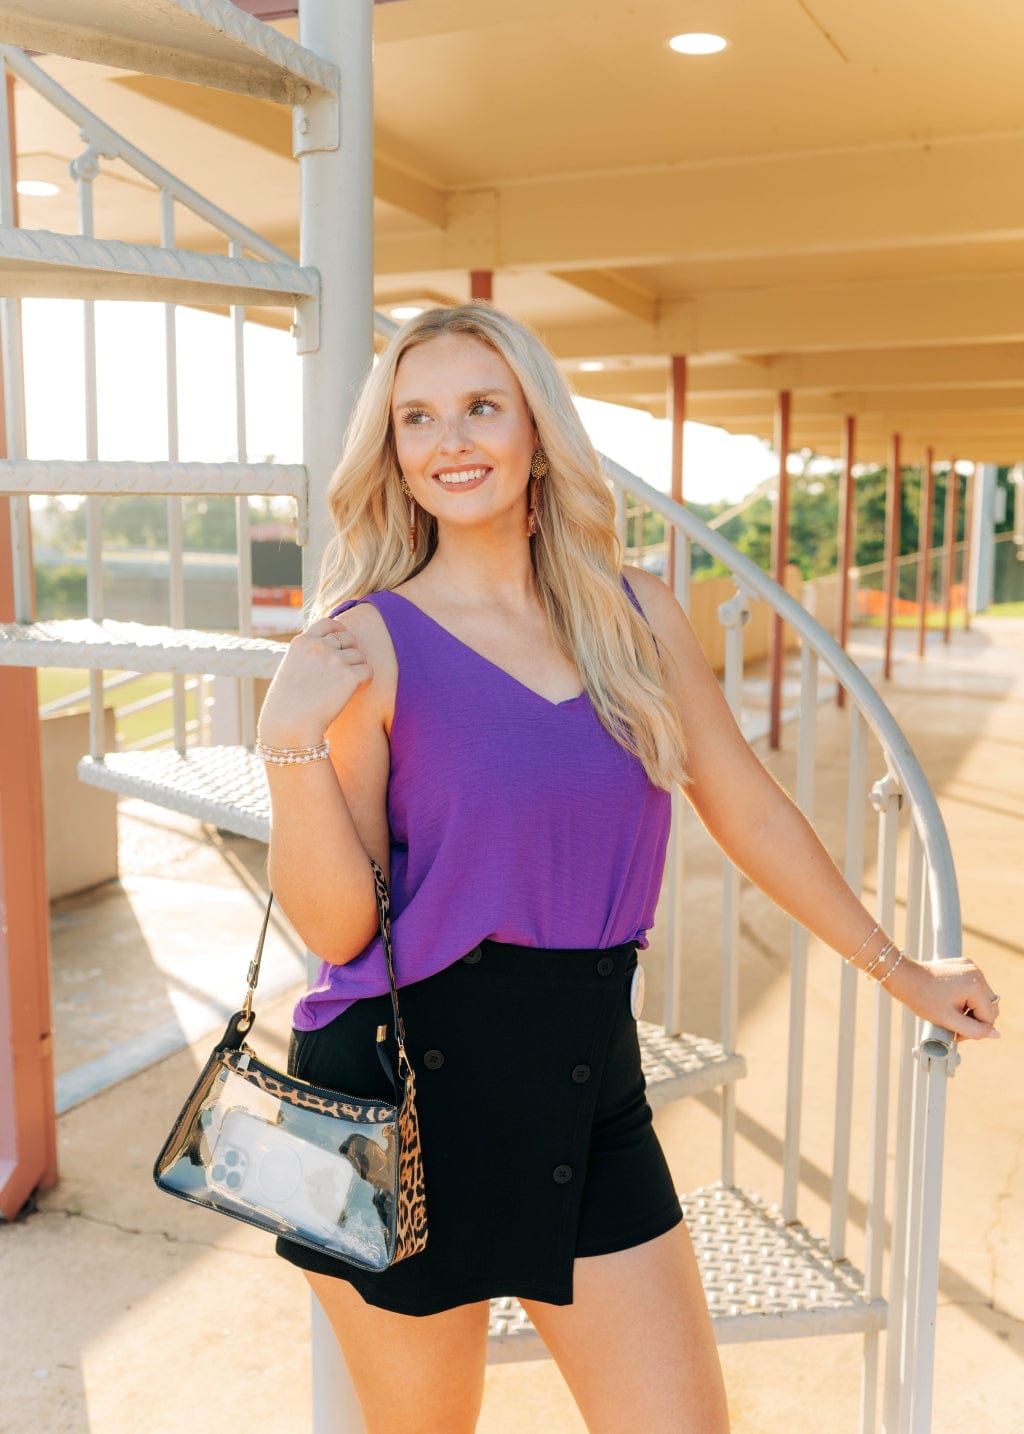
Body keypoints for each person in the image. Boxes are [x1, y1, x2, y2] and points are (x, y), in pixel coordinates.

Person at [255, 302, 1000, 1434]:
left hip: (582, 1082)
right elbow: (341, 928)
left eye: (480, 407)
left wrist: (897, 968)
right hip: (393, 1089)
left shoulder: (633, 618)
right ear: (392, 450)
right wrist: (288, 746)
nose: (449, 440)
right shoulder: (366, 643)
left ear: (537, 429)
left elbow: (745, 806)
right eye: (416, 417)